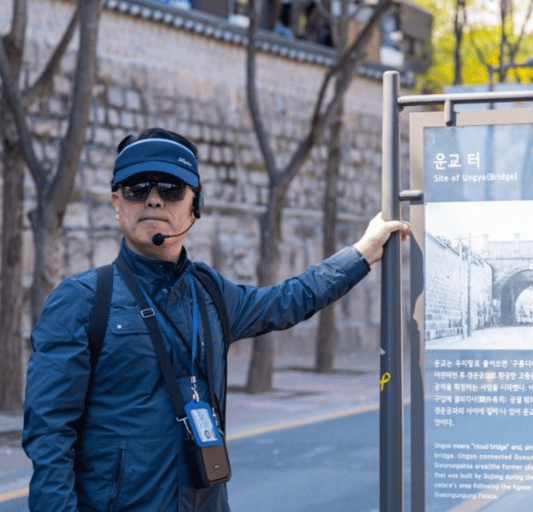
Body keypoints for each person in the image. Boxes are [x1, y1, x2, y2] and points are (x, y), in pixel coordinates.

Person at [22, 128, 410, 512]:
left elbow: (286, 300)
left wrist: (361, 253)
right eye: (137, 189)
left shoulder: (209, 292)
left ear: (195, 204)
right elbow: (49, 432)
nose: (153, 201)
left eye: (171, 189)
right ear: (116, 202)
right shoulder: (83, 300)